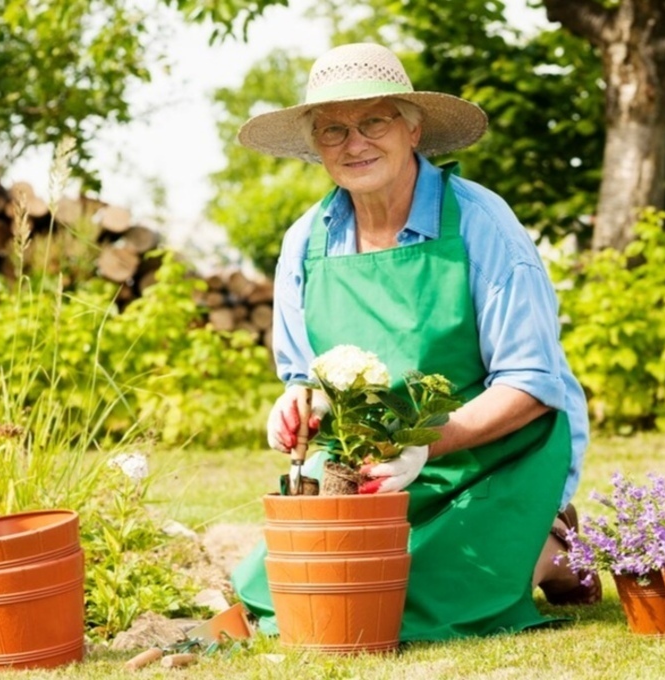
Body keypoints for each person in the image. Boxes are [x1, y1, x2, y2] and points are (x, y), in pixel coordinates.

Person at [229, 42, 600, 642]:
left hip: (491, 453)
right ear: (315, 147)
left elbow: (532, 384)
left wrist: (430, 443)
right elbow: (303, 374)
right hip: (369, 467)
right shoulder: (306, 242)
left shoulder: (482, 224)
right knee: (286, 597)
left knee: (419, 602)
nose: (354, 144)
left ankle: (558, 548)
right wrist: (296, 405)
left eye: (373, 121)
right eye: (333, 130)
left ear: (412, 127)